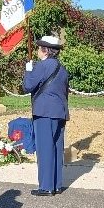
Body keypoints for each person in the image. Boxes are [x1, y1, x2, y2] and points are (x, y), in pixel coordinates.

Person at [22, 35, 70, 196]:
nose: (37, 51)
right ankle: (56, 185)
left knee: (44, 149)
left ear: (45, 51)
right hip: (60, 112)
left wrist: (28, 71)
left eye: (39, 48)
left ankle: (46, 186)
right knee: (56, 148)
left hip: (44, 111)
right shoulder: (62, 68)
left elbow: (28, 86)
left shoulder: (42, 66)